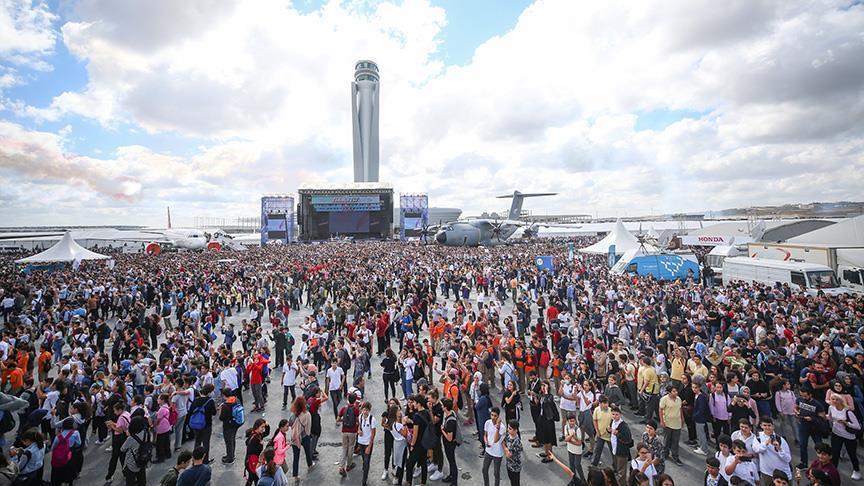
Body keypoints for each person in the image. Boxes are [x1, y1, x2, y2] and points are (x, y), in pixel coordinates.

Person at [826, 391, 861, 480]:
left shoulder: (848, 412)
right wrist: (822, 416)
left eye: (837, 399)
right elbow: (830, 417)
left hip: (848, 436)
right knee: (835, 453)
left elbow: (858, 427)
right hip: (836, 434)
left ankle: (856, 470)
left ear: (841, 401)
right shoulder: (831, 407)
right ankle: (832, 472)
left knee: (852, 454)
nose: (834, 401)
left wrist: (846, 423)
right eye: (833, 399)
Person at [751, 417, 792, 486]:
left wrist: (779, 449)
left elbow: (788, 459)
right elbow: (756, 449)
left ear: (773, 427)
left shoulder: (781, 439)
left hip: (782, 473)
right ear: (761, 426)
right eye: (764, 425)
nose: (767, 427)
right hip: (767, 472)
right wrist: (766, 443)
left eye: (769, 425)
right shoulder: (758, 437)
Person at [188, 383, 217, 463]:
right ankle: (205, 459)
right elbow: (214, 413)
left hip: (196, 425)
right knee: (206, 443)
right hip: (206, 424)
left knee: (197, 442)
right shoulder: (210, 401)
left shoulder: (196, 400)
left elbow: (190, 411)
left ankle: (195, 459)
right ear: (209, 392)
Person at [289, 396, 315, 484]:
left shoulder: (293, 415)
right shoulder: (307, 414)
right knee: (307, 451)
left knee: (296, 457)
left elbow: (290, 424)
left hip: (295, 438)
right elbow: (309, 427)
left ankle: (295, 475)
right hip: (305, 436)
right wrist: (307, 433)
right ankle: (310, 464)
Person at [50, 417, 81, 486]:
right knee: (69, 471)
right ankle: (69, 482)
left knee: (57, 474)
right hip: (70, 455)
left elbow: (53, 448)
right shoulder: (76, 433)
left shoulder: (58, 436)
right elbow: (78, 444)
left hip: (59, 459)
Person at [119, 416, 149, 486]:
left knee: (130, 482)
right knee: (142, 480)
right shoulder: (146, 433)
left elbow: (122, 449)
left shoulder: (131, 438)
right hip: (143, 459)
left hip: (132, 463)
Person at [336, 393, 360, 477]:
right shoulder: (356, 409)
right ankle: (349, 464)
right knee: (351, 447)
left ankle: (341, 467)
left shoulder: (343, 409)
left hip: (344, 430)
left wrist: (344, 420)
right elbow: (357, 421)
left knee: (344, 448)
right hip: (352, 431)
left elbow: (338, 419)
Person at [658, 385, 683, 466]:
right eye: (674, 391)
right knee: (667, 440)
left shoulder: (679, 399)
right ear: (669, 392)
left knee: (675, 441)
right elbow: (661, 410)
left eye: (676, 391)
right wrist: (662, 421)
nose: (676, 393)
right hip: (668, 422)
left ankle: (675, 456)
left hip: (677, 423)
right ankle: (665, 454)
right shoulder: (664, 399)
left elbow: (680, 409)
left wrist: (682, 419)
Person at [610, 404, 633, 486]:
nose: (614, 416)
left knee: (621, 473)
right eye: (613, 414)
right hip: (615, 450)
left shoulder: (624, 426)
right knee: (618, 470)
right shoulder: (612, 422)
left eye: (617, 414)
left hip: (622, 452)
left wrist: (618, 434)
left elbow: (628, 440)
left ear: (620, 415)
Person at [482, 407, 505, 486]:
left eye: (495, 416)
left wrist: (497, 427)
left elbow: (496, 440)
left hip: (497, 453)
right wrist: (485, 441)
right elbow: (485, 435)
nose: (493, 417)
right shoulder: (487, 422)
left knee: (496, 473)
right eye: (491, 415)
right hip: (488, 451)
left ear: (498, 416)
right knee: (484, 470)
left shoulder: (502, 427)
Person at [441, 398, 460, 486]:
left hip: (450, 444)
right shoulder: (451, 413)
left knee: (452, 462)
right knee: (450, 461)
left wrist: (442, 430)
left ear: (445, 407)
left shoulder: (450, 421)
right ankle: (451, 476)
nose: (441, 407)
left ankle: (454, 482)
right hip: (449, 443)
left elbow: (449, 438)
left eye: (442, 406)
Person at [357, 401, 377, 486]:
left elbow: (373, 434)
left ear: (369, 410)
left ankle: (364, 481)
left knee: (366, 461)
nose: (365, 412)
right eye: (364, 410)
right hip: (361, 442)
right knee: (363, 459)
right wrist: (359, 431)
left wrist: (369, 446)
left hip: (368, 443)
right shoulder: (360, 417)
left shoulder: (372, 419)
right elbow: (358, 426)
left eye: (366, 410)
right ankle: (365, 468)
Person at [563, 414, 585, 482]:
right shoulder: (566, 427)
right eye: (571, 421)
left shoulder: (577, 429)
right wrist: (572, 436)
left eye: (573, 421)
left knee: (577, 465)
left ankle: (583, 480)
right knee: (571, 465)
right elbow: (566, 439)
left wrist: (570, 440)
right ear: (567, 421)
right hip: (570, 449)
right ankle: (574, 479)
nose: (572, 422)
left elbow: (579, 443)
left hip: (577, 450)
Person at [502, 419, 522, 486]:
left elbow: (509, 455)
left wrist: (505, 449)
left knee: (515, 483)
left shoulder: (516, 442)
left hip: (515, 467)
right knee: (511, 481)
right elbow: (503, 442)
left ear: (515, 430)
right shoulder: (508, 435)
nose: (508, 430)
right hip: (509, 464)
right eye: (508, 428)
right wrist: (506, 449)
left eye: (510, 428)